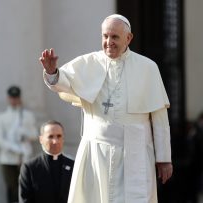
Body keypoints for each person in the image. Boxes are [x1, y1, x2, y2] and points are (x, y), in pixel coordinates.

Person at [39, 14, 173, 202]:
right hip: (96, 152)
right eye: (105, 36)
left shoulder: (148, 68)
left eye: (115, 37)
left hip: (135, 152)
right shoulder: (88, 63)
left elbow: (159, 118)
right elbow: (62, 82)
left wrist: (164, 158)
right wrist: (52, 72)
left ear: (129, 38)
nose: (109, 42)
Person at [0, 86, 37, 203]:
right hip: (8, 158)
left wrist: (26, 133)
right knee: (11, 188)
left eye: (16, 97)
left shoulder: (27, 115)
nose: (14, 100)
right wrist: (13, 148)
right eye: (12, 97)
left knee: (25, 187)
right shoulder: (2, 117)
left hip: (25, 157)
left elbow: (35, 134)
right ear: (8, 98)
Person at [19, 120, 74, 203]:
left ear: (63, 138)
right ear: (41, 139)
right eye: (50, 136)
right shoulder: (30, 168)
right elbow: (25, 200)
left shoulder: (73, 166)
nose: (55, 141)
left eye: (59, 136)